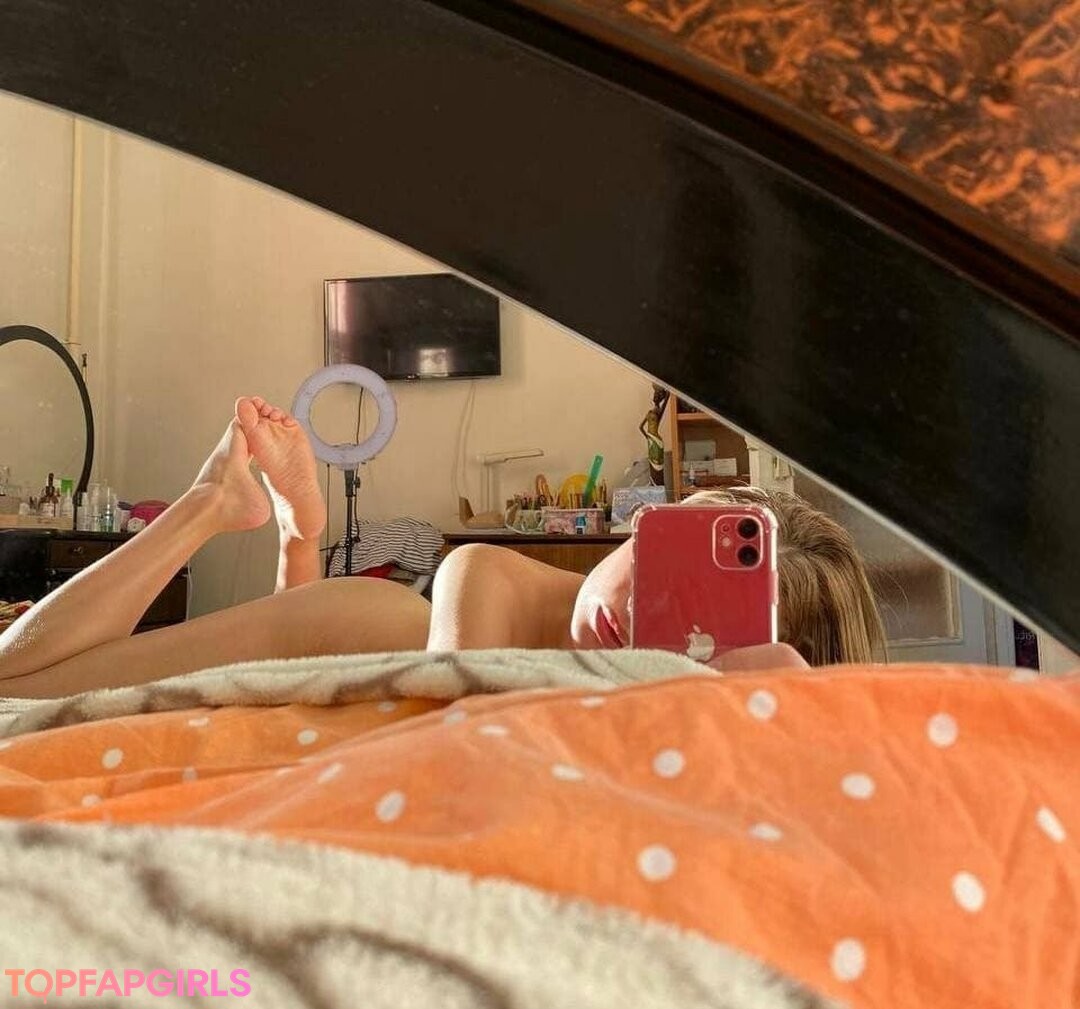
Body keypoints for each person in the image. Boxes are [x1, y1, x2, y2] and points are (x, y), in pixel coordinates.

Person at [0, 398, 885, 700]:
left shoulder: (622, 698)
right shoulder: (480, 581)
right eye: (666, 554)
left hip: (347, 646)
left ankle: (285, 528)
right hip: (359, 629)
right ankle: (211, 501)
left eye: (694, 621)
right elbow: (469, 583)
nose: (634, 606)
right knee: (12, 687)